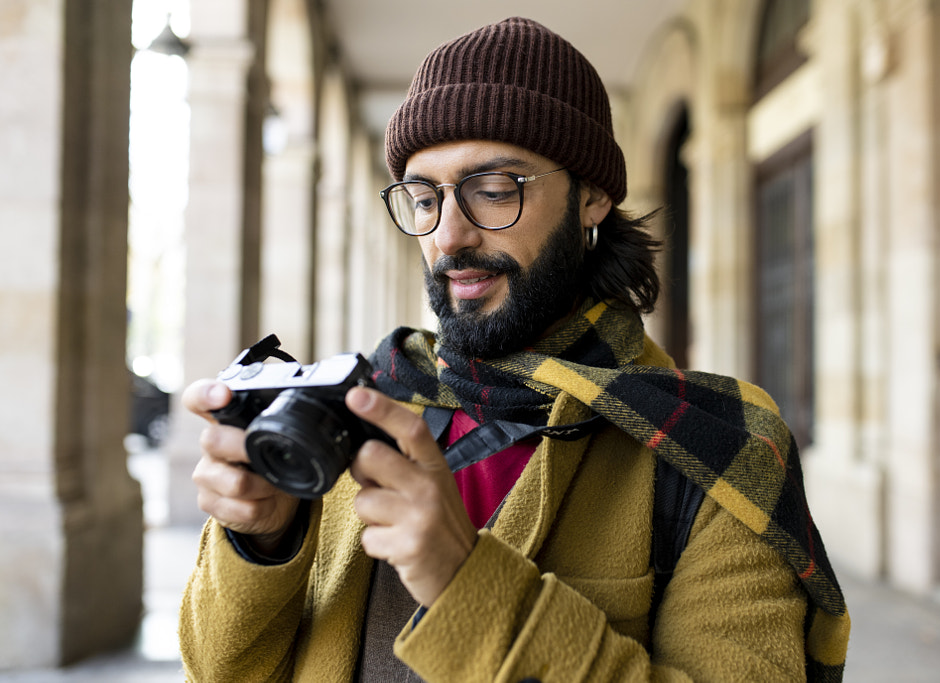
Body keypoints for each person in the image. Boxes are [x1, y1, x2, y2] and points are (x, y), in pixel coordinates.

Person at [178, 16, 850, 682]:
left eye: (493, 191)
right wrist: (262, 541)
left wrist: (467, 582)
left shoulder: (715, 444)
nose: (449, 236)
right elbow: (216, 668)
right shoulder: (364, 403)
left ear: (591, 197)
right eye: (423, 198)